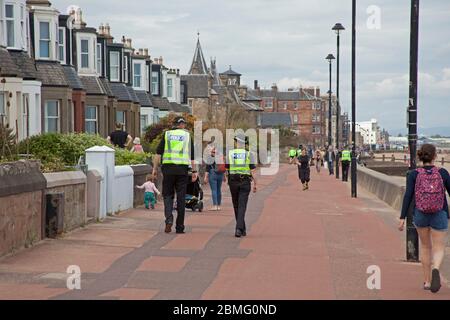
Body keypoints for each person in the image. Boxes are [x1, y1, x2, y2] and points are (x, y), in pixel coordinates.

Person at [398, 144, 450, 293]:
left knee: (426, 247)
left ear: (420, 156)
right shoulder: (443, 173)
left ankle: (427, 281)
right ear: (434, 156)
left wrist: (402, 217)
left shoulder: (414, 174)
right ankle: (436, 269)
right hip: (440, 213)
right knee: (439, 247)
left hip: (420, 213)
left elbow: (408, 196)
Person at [152, 116, 197, 234]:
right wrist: (194, 172)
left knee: (167, 195)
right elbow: (192, 158)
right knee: (181, 197)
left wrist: (154, 169)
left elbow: (158, 153)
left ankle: (168, 219)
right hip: (182, 170)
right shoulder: (187, 136)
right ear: (182, 125)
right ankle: (180, 227)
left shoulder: (167, 135)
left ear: (174, 124)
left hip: (168, 169)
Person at [226, 135, 257, 238]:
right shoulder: (249, 154)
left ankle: (240, 228)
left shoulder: (230, 154)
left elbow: (227, 169)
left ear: (236, 143)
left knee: (236, 205)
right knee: (242, 205)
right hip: (245, 181)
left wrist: (227, 179)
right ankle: (240, 228)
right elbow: (252, 170)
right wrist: (256, 184)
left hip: (233, 181)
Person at [204, 146, 226, 211]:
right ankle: (219, 206)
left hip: (212, 173)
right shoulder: (221, 157)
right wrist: (224, 176)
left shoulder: (210, 157)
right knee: (219, 189)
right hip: (221, 174)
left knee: (214, 190)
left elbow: (207, 168)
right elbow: (224, 166)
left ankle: (214, 206)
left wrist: (205, 177)